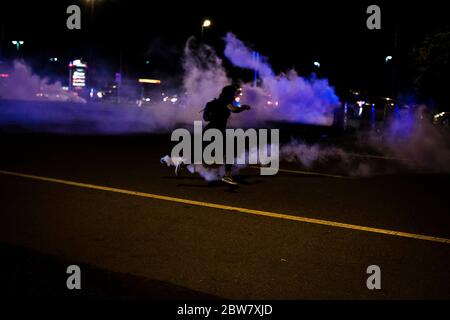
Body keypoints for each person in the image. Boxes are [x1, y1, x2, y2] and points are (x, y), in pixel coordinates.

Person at [201, 85, 251, 185]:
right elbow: (234, 110)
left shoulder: (216, 102)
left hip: (211, 131)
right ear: (228, 94)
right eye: (233, 93)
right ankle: (227, 175)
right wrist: (245, 107)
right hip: (214, 131)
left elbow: (206, 118)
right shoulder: (224, 102)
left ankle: (182, 164)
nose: (234, 95)